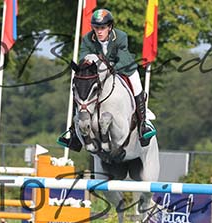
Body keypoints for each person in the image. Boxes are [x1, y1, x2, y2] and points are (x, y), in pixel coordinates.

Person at [58, 8, 157, 151]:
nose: (99, 31)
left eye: (102, 28)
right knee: (81, 88)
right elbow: (83, 57)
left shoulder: (120, 37)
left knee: (136, 85)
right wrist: (86, 64)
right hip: (97, 72)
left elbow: (122, 59)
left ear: (110, 27)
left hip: (123, 68)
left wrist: (107, 67)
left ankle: (143, 125)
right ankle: (74, 132)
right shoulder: (87, 38)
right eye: (96, 27)